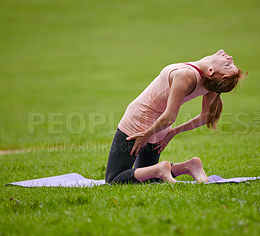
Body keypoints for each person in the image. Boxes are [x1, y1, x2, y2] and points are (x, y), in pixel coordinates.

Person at [105, 49, 246, 184]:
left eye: (227, 65)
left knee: (113, 179)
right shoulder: (212, 83)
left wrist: (146, 135)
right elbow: (206, 117)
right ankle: (189, 166)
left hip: (140, 121)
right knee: (146, 177)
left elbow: (169, 118)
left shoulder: (185, 75)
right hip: (160, 127)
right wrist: (171, 132)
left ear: (211, 71)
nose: (230, 58)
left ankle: (161, 169)